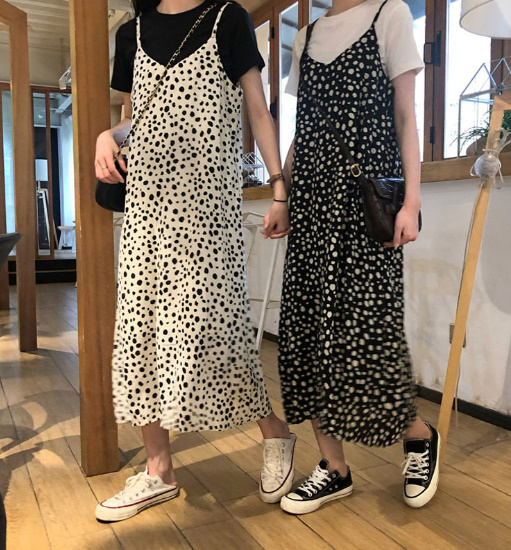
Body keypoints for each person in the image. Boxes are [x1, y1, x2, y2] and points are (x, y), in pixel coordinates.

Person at [94, 0, 295, 522]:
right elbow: (136, 122)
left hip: (206, 212)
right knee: (139, 332)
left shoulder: (227, 18)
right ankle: (158, 469)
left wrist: (279, 188)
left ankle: (275, 432)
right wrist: (107, 136)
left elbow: (258, 110)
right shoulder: (132, 33)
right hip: (146, 209)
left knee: (217, 330)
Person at [262, 0, 439, 514]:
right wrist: (283, 195)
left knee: (370, 334)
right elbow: (305, 129)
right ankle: (333, 467)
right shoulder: (307, 36)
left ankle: (419, 435)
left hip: (365, 206)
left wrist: (411, 201)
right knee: (308, 332)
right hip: (312, 204)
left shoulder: (390, 15)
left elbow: (405, 116)